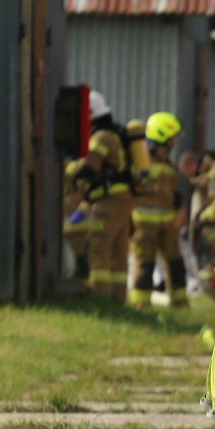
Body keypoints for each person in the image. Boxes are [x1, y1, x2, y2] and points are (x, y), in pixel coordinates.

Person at [73, 91, 133, 302]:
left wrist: (71, 170)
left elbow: (89, 167)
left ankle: (99, 295)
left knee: (98, 246)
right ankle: (117, 298)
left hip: (109, 199)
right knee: (118, 250)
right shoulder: (113, 133)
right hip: (123, 198)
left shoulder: (101, 137)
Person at [128, 112, 188, 308]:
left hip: (167, 225)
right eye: (170, 141)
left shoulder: (166, 163)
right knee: (145, 267)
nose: (172, 145)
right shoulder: (141, 161)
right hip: (144, 226)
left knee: (176, 266)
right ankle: (141, 305)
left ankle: (180, 304)